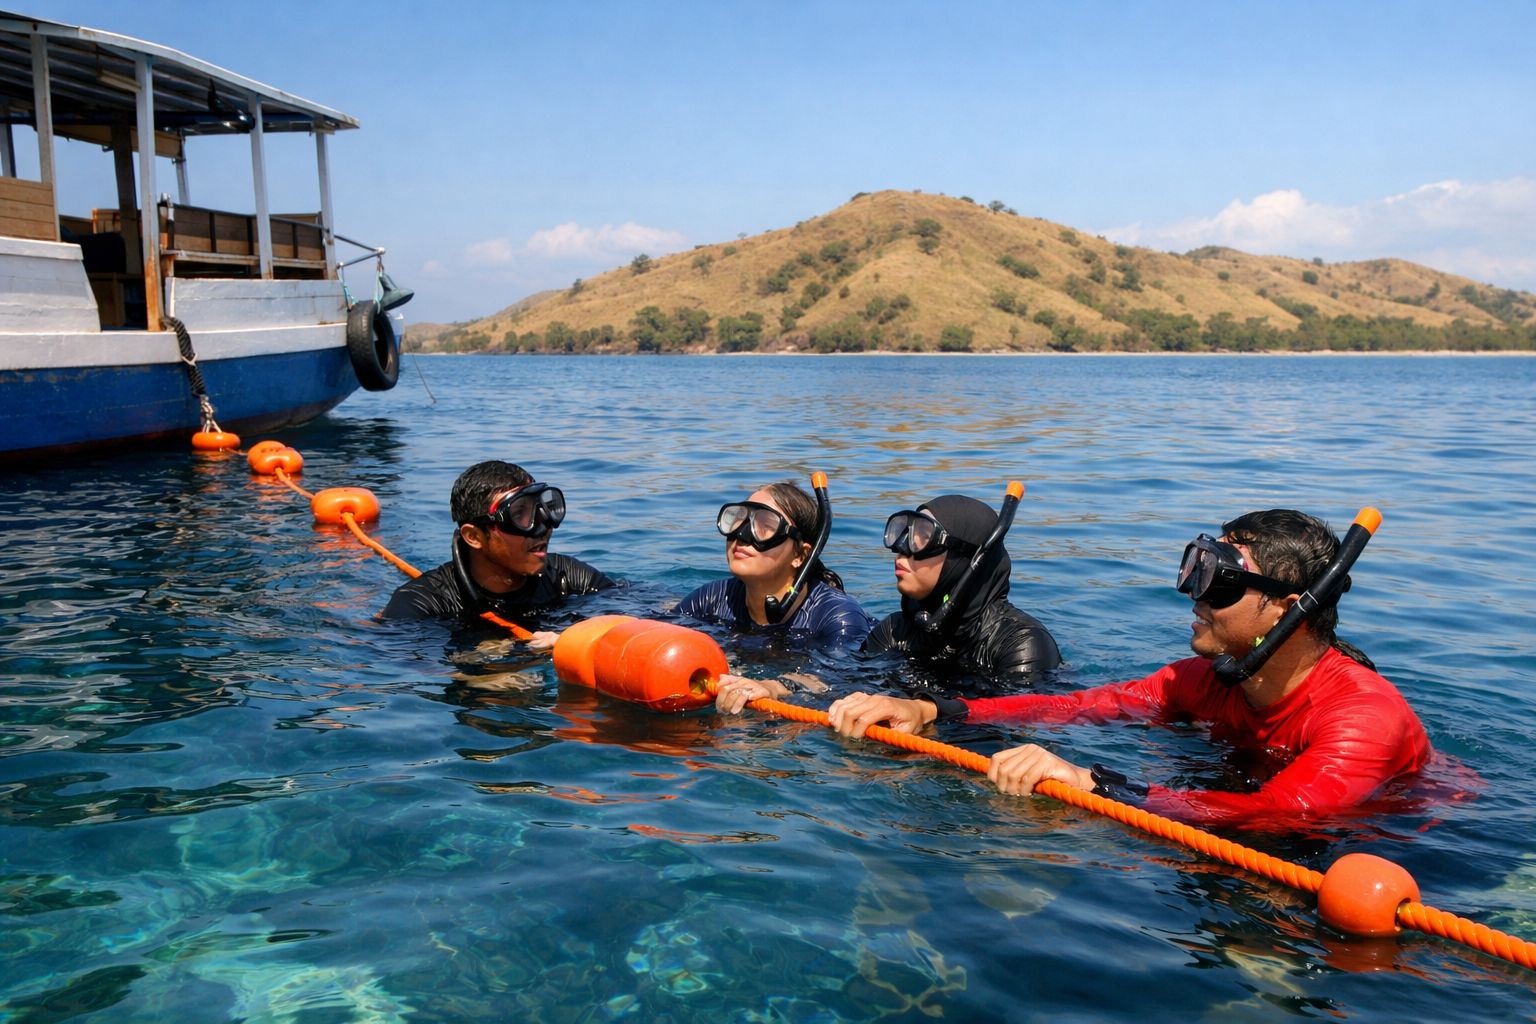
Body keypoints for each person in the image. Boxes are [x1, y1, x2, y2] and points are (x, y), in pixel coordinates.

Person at [827, 509, 1433, 826]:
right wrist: (934, 710)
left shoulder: (1361, 716)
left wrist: (1096, 783)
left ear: (1285, 604)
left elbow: (1283, 812)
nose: (1193, 596)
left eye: (1216, 580)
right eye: (1194, 570)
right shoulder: (1206, 678)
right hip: (1237, 812)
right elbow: (1082, 705)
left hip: (1405, 846)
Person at [715, 489, 1060, 714]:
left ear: (968, 560)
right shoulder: (896, 630)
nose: (901, 549)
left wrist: (927, 712)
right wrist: (776, 687)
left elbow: (1024, 718)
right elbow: (841, 678)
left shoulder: (1021, 642)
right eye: (902, 533)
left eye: (922, 538)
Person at [380, 461, 615, 647]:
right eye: (520, 514)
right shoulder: (421, 603)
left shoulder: (567, 576)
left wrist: (574, 640)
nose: (544, 527)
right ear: (474, 536)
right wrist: (478, 669)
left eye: (543, 509)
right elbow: (399, 660)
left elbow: (640, 610)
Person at [679, 480, 873, 655]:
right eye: (739, 519)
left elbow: (843, 678)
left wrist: (781, 686)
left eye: (765, 526)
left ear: (799, 555)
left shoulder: (838, 617)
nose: (741, 535)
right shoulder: (714, 599)